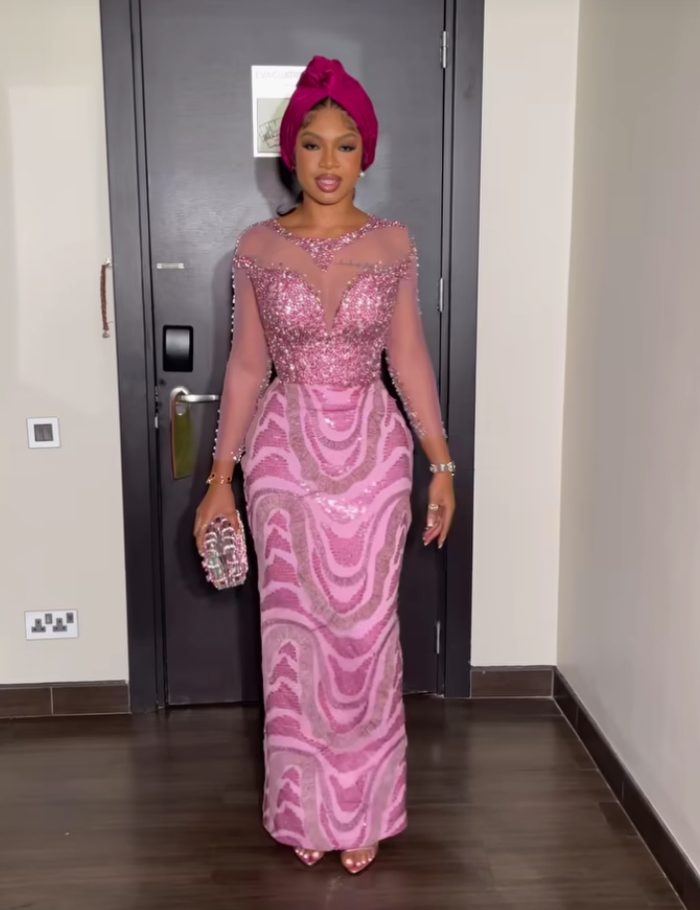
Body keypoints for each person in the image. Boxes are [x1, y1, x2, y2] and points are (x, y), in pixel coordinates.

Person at [193, 55, 456, 875]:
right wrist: (220, 480)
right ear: (291, 154)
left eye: (345, 144)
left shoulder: (394, 243)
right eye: (313, 144)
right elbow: (246, 367)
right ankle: (306, 803)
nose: (329, 161)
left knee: (368, 635)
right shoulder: (258, 247)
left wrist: (442, 464)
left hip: (376, 460)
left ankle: (365, 806)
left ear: (365, 153)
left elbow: (408, 358)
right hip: (285, 460)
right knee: (294, 638)